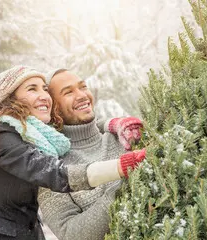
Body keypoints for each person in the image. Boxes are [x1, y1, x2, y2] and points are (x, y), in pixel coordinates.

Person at [0, 66, 145, 240]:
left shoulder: (36, 136)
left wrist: (112, 123)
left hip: (25, 233)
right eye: (32, 89)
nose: (43, 95)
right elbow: (50, 171)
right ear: (9, 99)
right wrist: (122, 169)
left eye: (45, 89)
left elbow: (80, 127)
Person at [38, 69, 145, 240]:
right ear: (53, 108)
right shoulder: (52, 169)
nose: (81, 95)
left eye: (83, 87)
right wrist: (124, 186)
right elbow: (70, 234)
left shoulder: (123, 136)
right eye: (68, 92)